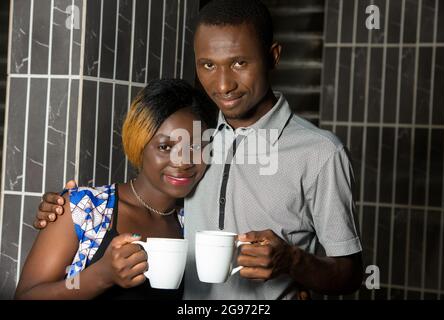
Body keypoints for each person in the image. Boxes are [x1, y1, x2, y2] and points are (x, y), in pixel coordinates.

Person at [33, 0, 364, 300]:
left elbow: (349, 275)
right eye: (208, 66)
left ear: (273, 56)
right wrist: (67, 209)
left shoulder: (320, 153)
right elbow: (148, 188)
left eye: (239, 63)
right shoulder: (200, 138)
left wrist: (293, 261)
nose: (223, 85)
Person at [15, 79, 213, 299]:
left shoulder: (193, 223)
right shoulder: (84, 209)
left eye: (195, 147)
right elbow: (26, 295)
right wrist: (99, 276)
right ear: (139, 144)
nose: (184, 161)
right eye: (165, 147)